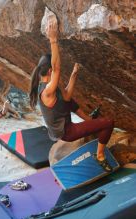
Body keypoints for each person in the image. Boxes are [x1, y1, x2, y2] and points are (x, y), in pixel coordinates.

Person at [30, 18, 114, 172]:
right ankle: (100, 156)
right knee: (108, 122)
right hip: (68, 132)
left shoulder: (50, 91)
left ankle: (91, 121)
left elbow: (67, 97)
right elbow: (57, 68)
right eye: (52, 71)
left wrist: (74, 74)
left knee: (69, 102)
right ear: (49, 72)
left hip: (66, 128)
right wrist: (53, 40)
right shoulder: (46, 91)